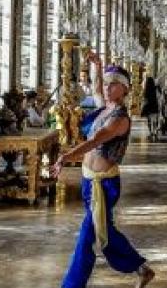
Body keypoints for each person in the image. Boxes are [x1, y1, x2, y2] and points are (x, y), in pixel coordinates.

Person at [51, 56, 154, 288]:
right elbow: (97, 89)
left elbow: (96, 139)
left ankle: (72, 285)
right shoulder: (104, 109)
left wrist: (67, 156)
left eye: (113, 84)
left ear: (125, 89)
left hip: (104, 185)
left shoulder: (120, 119)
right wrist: (98, 66)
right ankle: (141, 268)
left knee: (87, 237)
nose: (107, 88)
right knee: (105, 233)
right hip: (89, 181)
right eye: (106, 84)